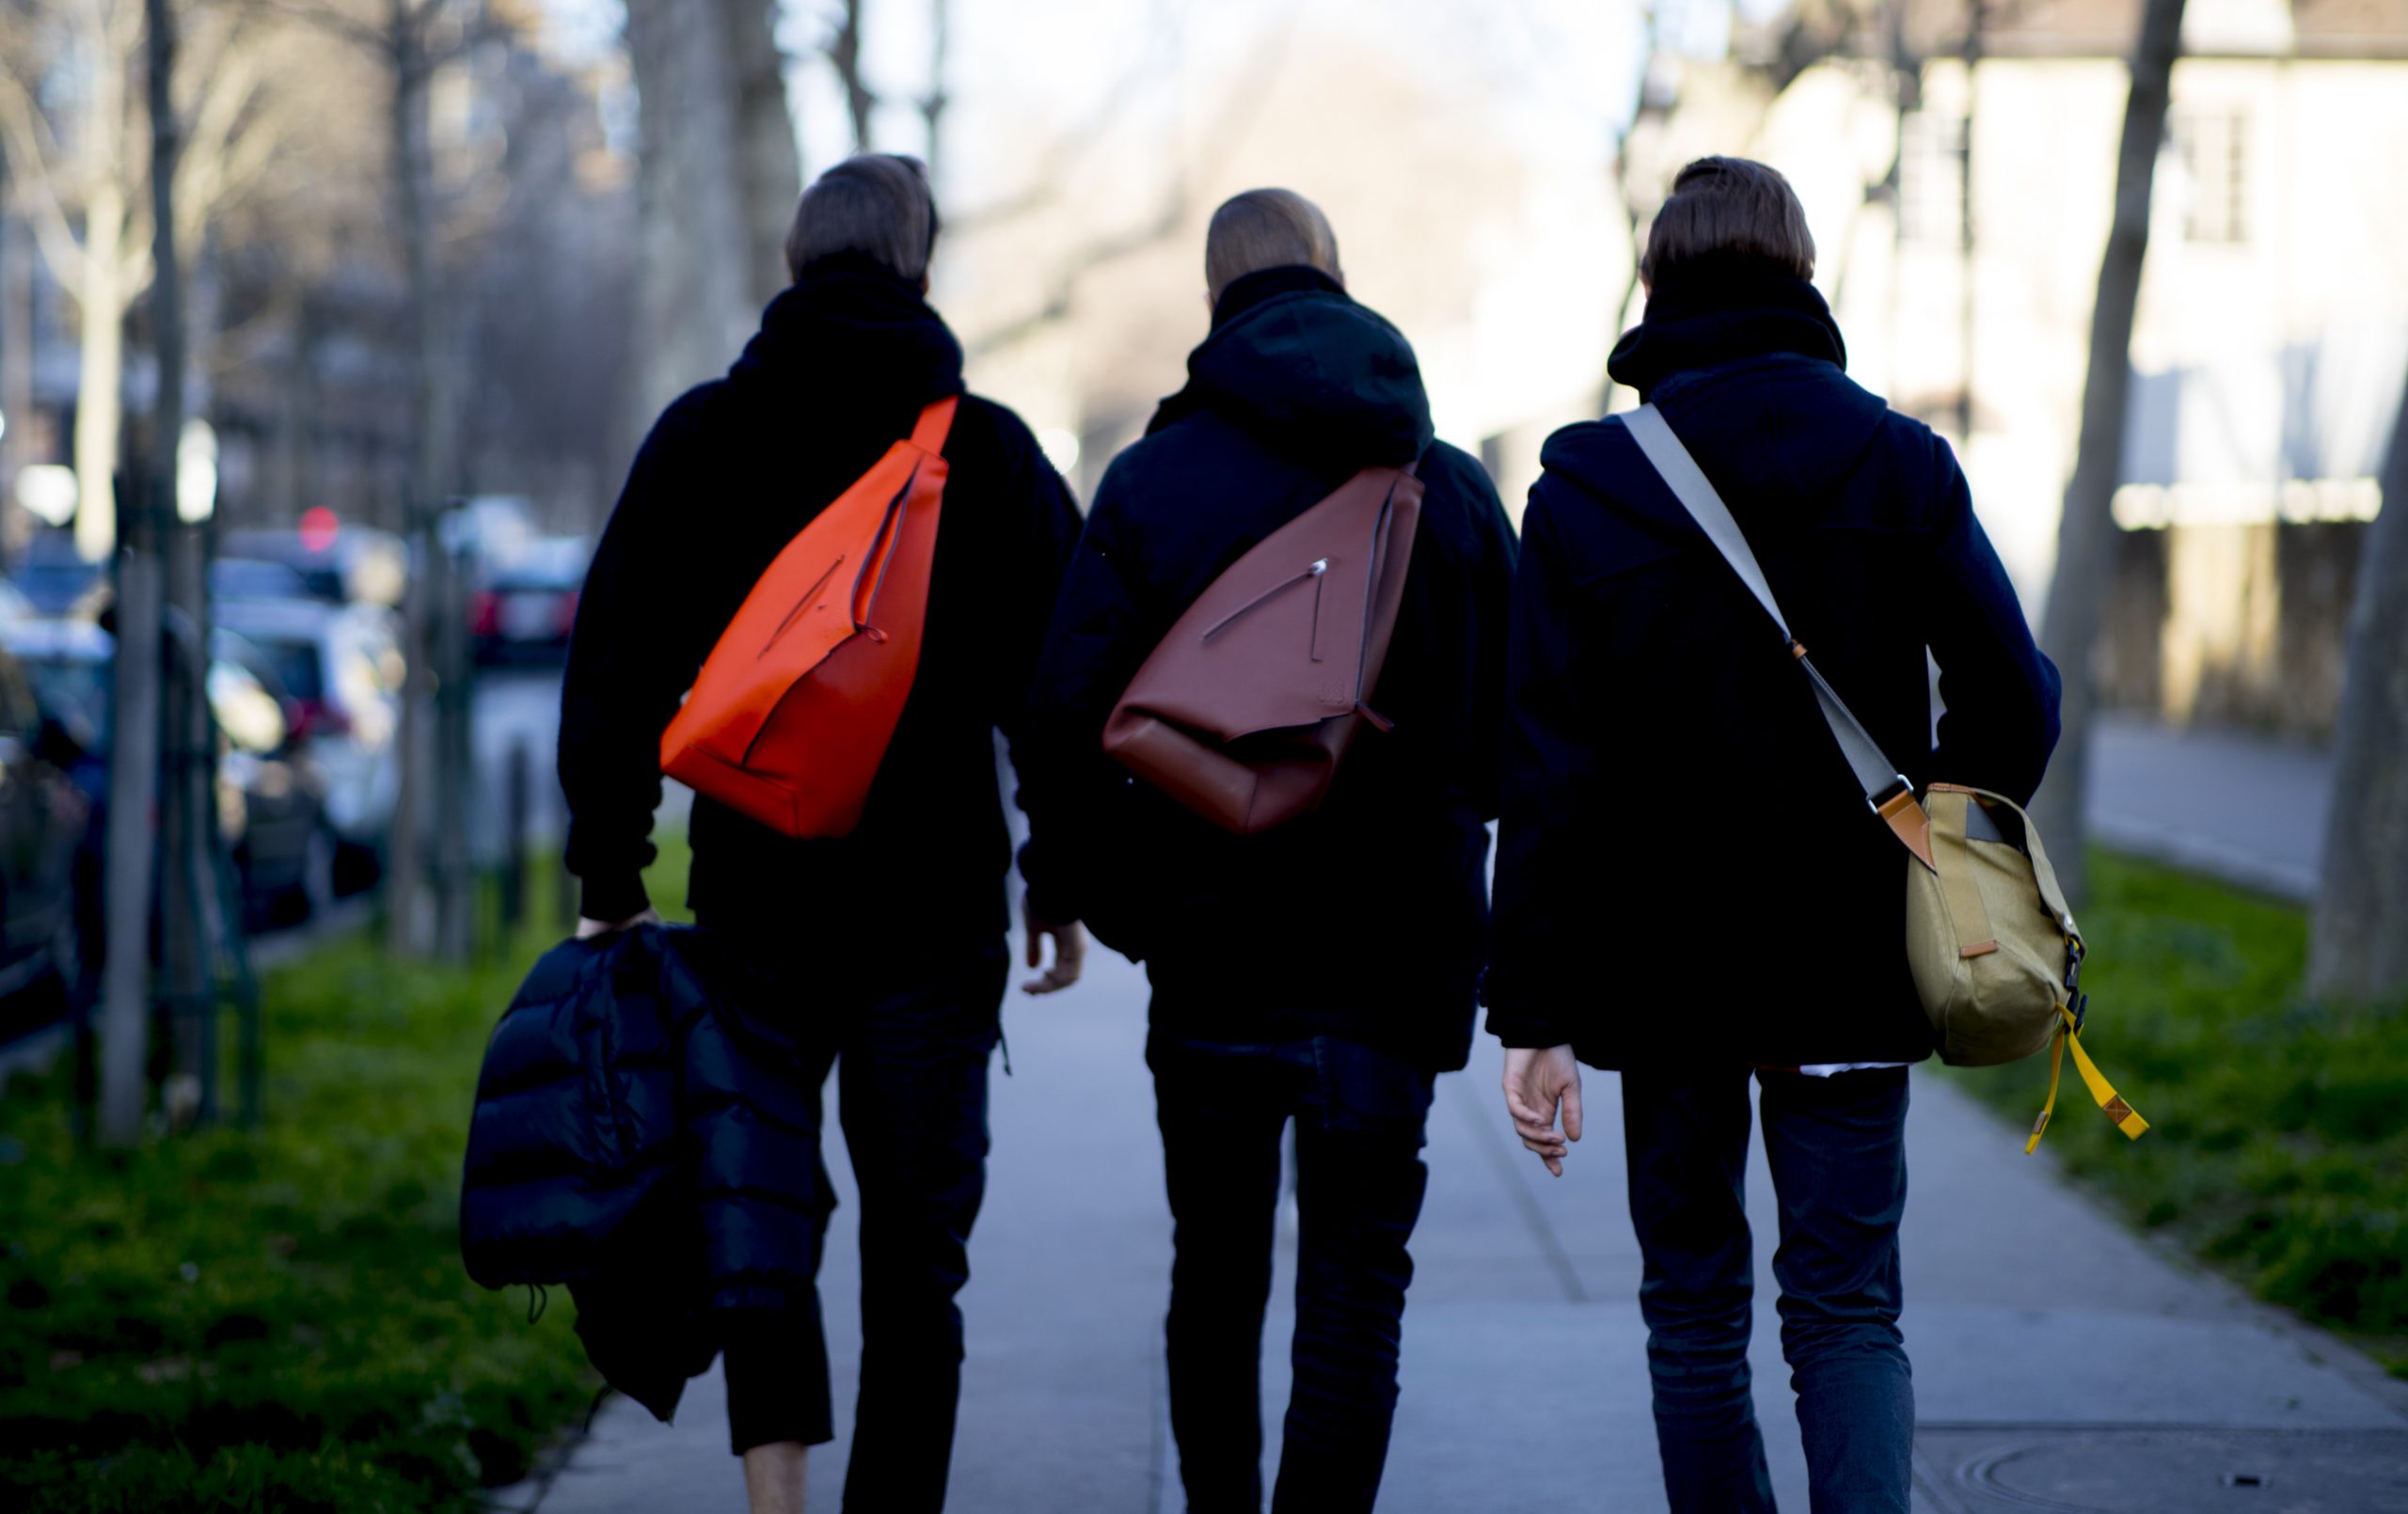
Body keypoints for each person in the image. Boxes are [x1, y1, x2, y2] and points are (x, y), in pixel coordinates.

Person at [1486, 155, 2061, 1513]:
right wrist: (1930, 826)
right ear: (1804, 274)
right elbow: (2016, 696)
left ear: (1655, 287)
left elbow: (1548, 772)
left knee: (1693, 1314)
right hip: (1852, 948)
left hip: (1661, 966)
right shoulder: (1898, 461)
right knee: (1848, 1309)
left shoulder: (1586, 491)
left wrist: (1534, 1014)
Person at [557, 152, 1087, 1514]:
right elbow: (1063, 690)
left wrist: (611, 874)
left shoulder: (701, 439)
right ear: (917, 264)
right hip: (931, 918)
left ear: (796, 264)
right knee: (921, 1261)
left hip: (753, 917)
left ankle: (775, 1506)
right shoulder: (993, 455)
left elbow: (612, 671)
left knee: (763, 1230)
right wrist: (1060, 878)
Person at [1020, 189, 1518, 1514]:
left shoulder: (1147, 484)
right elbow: (1517, 729)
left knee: (1215, 1277)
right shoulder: (1450, 489)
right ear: (1339, 280)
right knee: (1357, 1296)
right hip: (1389, 975)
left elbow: (1064, 715)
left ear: (1212, 308)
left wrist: (1115, 901)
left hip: (1213, 967)